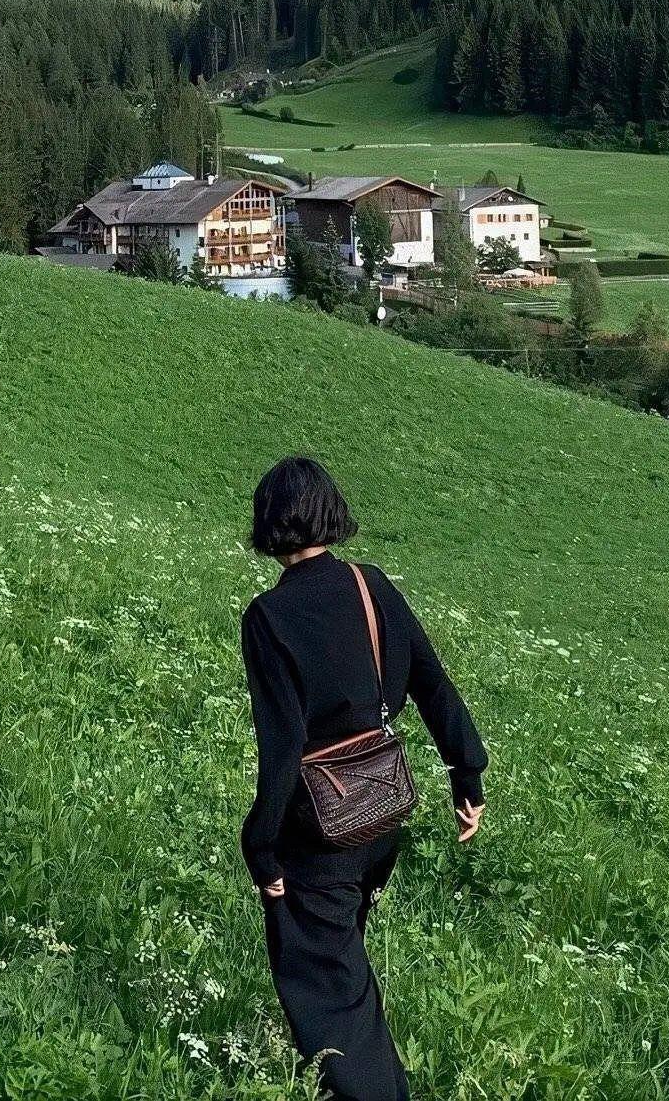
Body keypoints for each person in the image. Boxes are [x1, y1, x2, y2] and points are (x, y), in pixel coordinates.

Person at [240, 455, 488, 1101]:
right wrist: (467, 771)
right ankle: (340, 1077)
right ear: (332, 511)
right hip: (380, 814)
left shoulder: (268, 617)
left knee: (330, 994)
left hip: (321, 832)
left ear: (268, 521)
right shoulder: (370, 584)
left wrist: (260, 845)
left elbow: (283, 744)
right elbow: (432, 682)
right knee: (339, 967)